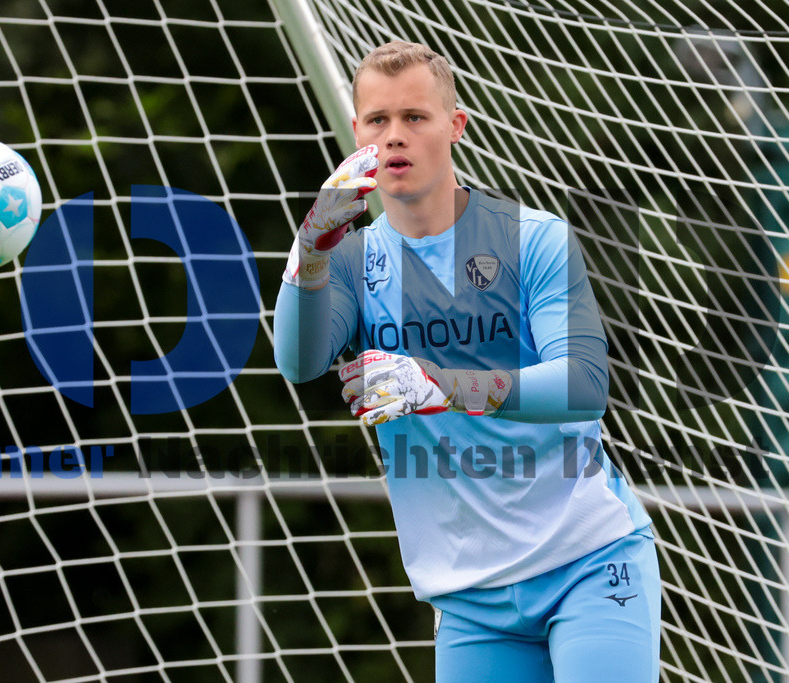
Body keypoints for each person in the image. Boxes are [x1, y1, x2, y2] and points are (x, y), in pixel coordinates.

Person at [273, 41, 661, 682]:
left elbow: (584, 385)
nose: (394, 136)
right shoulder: (346, 261)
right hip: (470, 601)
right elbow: (297, 361)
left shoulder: (531, 238)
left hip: (588, 562)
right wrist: (309, 250)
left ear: (454, 127)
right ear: (356, 134)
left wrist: (440, 386)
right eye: (377, 120)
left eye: (415, 118)